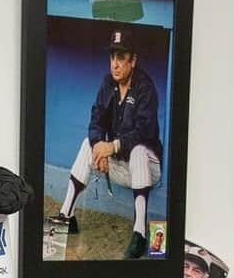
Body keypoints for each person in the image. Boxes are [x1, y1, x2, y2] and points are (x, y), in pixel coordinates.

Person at [51, 29, 162, 260]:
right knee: (86, 144)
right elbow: (96, 119)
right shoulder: (107, 83)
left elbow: (144, 131)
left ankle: (139, 232)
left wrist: (111, 147)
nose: (115, 64)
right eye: (112, 57)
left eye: (121, 58)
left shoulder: (145, 87)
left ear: (133, 60)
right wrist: (99, 147)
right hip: (120, 165)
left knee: (140, 150)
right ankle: (66, 216)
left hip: (147, 168)